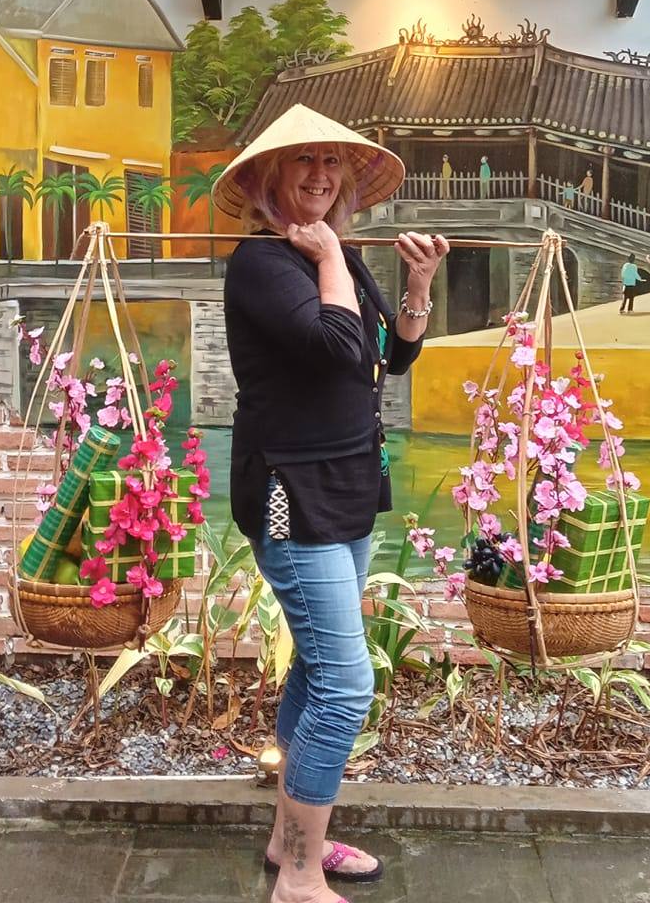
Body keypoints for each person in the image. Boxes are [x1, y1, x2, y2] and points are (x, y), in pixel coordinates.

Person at [213, 103, 449, 903]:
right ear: (268, 176)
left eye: (331, 163)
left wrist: (415, 284)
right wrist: (326, 264)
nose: (319, 175)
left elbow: (388, 356)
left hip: (349, 479)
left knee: (321, 666)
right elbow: (335, 345)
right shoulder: (259, 261)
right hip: (290, 487)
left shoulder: (335, 252)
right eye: (301, 161)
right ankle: (300, 876)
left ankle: (290, 843)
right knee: (347, 685)